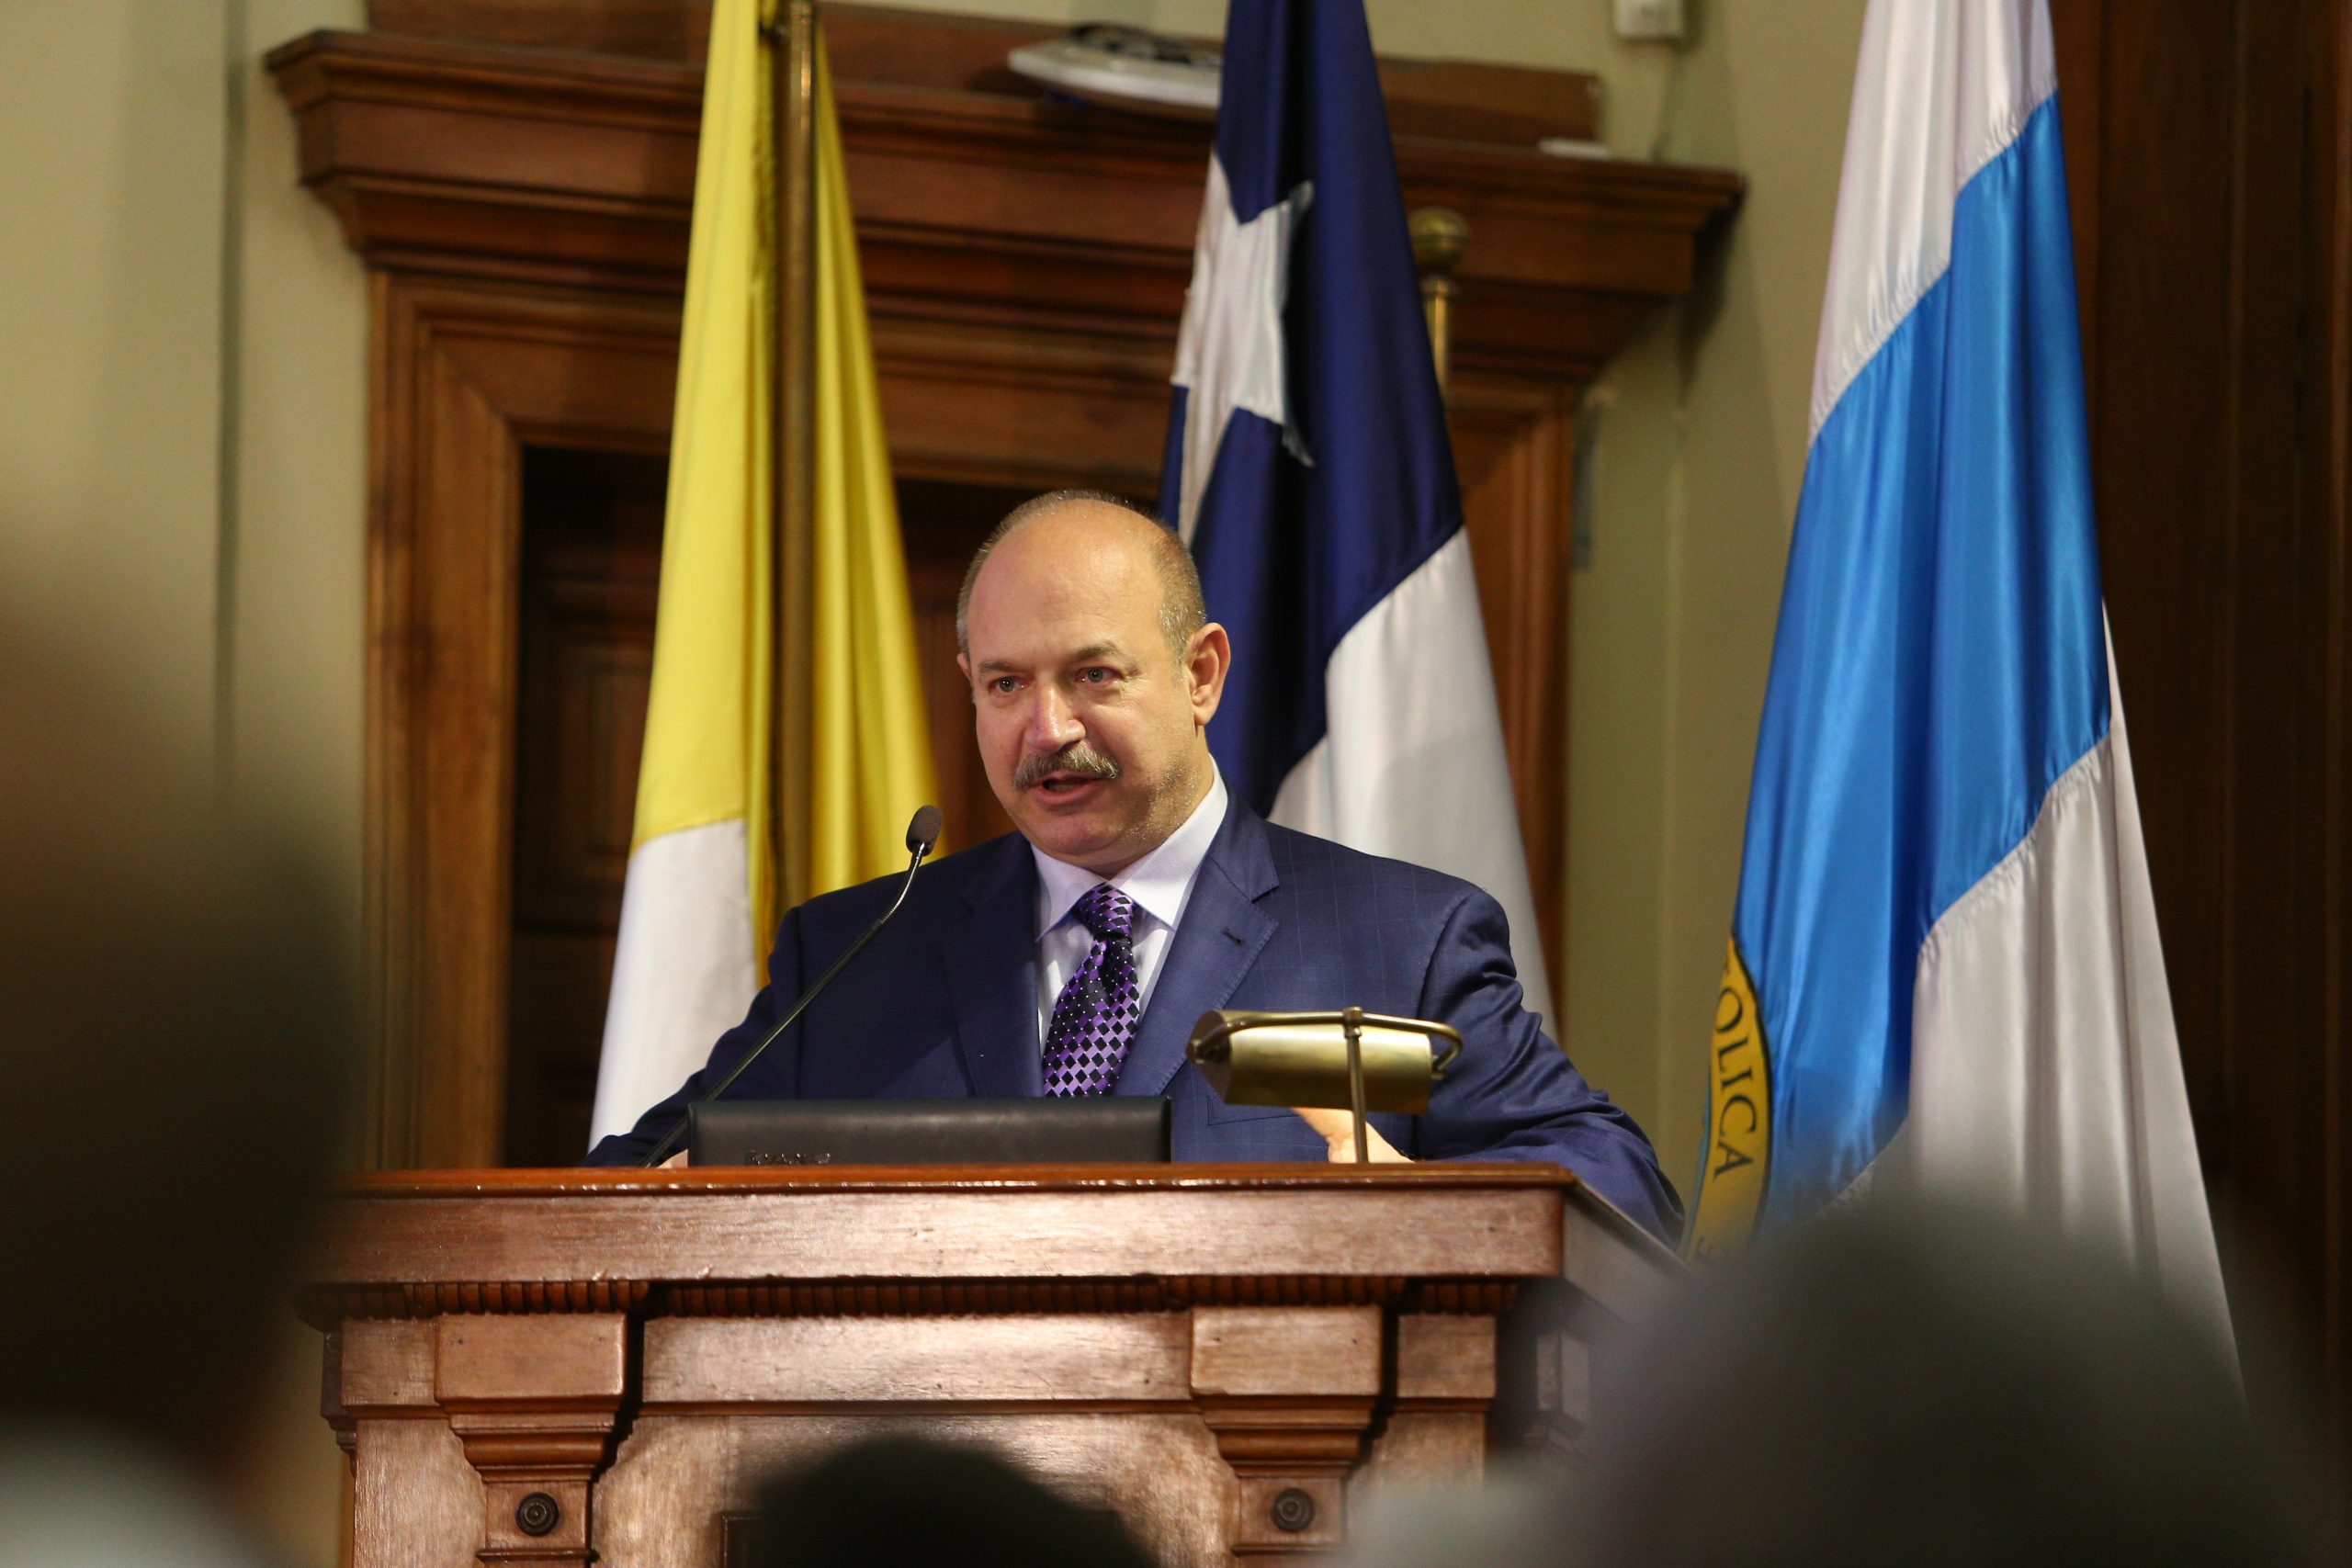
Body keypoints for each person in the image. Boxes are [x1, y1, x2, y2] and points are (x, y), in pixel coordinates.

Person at [586, 491, 1679, 1240]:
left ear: (1201, 674)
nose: (1045, 728)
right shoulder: (857, 953)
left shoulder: (1401, 939)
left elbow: (1619, 1184)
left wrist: (1437, 1211)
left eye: (1094, 675)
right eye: (1005, 686)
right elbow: (638, 1178)